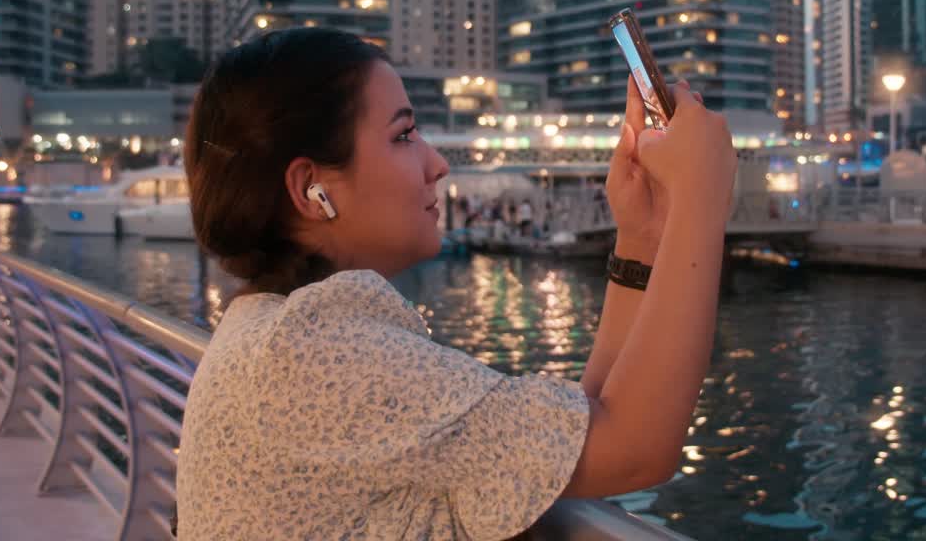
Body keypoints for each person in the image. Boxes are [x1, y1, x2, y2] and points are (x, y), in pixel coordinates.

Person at [175, 27, 736, 540]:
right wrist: (700, 198)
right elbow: (635, 447)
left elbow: (583, 433)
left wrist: (639, 238)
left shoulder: (275, 333)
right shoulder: (311, 351)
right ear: (311, 188)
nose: (437, 164)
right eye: (404, 134)